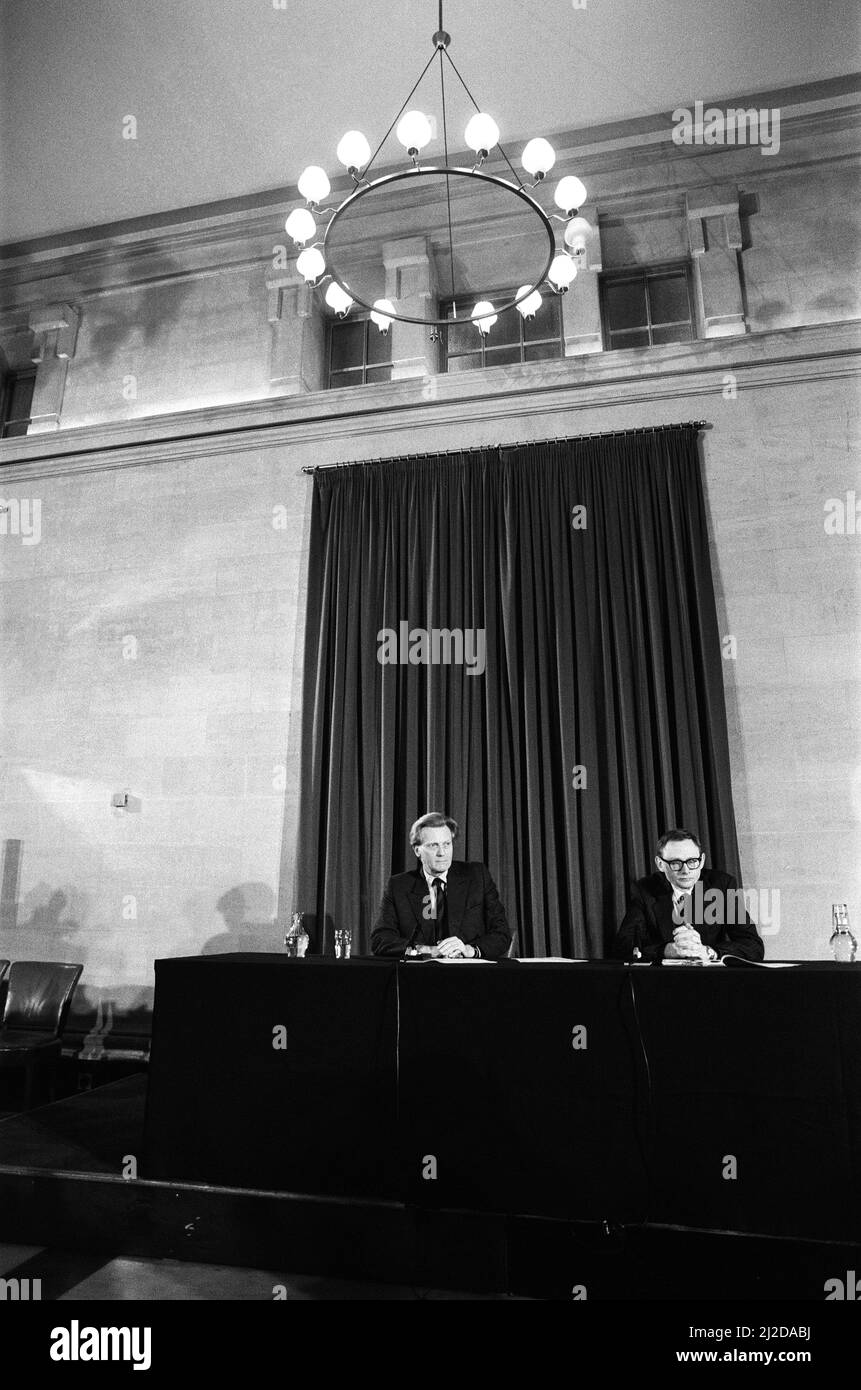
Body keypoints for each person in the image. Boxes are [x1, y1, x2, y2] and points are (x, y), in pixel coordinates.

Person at [370, 811, 512, 960]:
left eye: (447, 844)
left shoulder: (477, 876)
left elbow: (501, 933)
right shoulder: (399, 886)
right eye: (433, 845)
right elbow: (380, 940)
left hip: (469, 973)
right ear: (417, 850)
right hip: (419, 976)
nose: (442, 853)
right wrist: (424, 950)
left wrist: (470, 950)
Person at [614, 828, 764, 963]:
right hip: (662, 983)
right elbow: (624, 948)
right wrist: (667, 950)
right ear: (660, 864)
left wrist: (709, 952)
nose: (685, 870)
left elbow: (753, 946)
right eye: (675, 863)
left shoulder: (722, 885)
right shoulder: (644, 890)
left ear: (702, 860)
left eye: (692, 861)